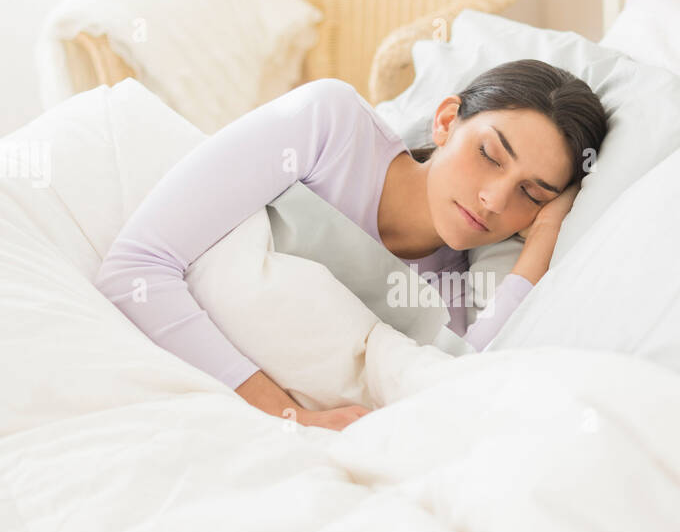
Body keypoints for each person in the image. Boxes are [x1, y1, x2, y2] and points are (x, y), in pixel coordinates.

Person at [94, 58, 608, 429]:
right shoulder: (330, 126)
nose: (495, 200)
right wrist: (285, 415)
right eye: (490, 155)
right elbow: (135, 269)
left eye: (530, 193)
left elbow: (455, 386)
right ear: (448, 121)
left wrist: (543, 240)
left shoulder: (448, 297)